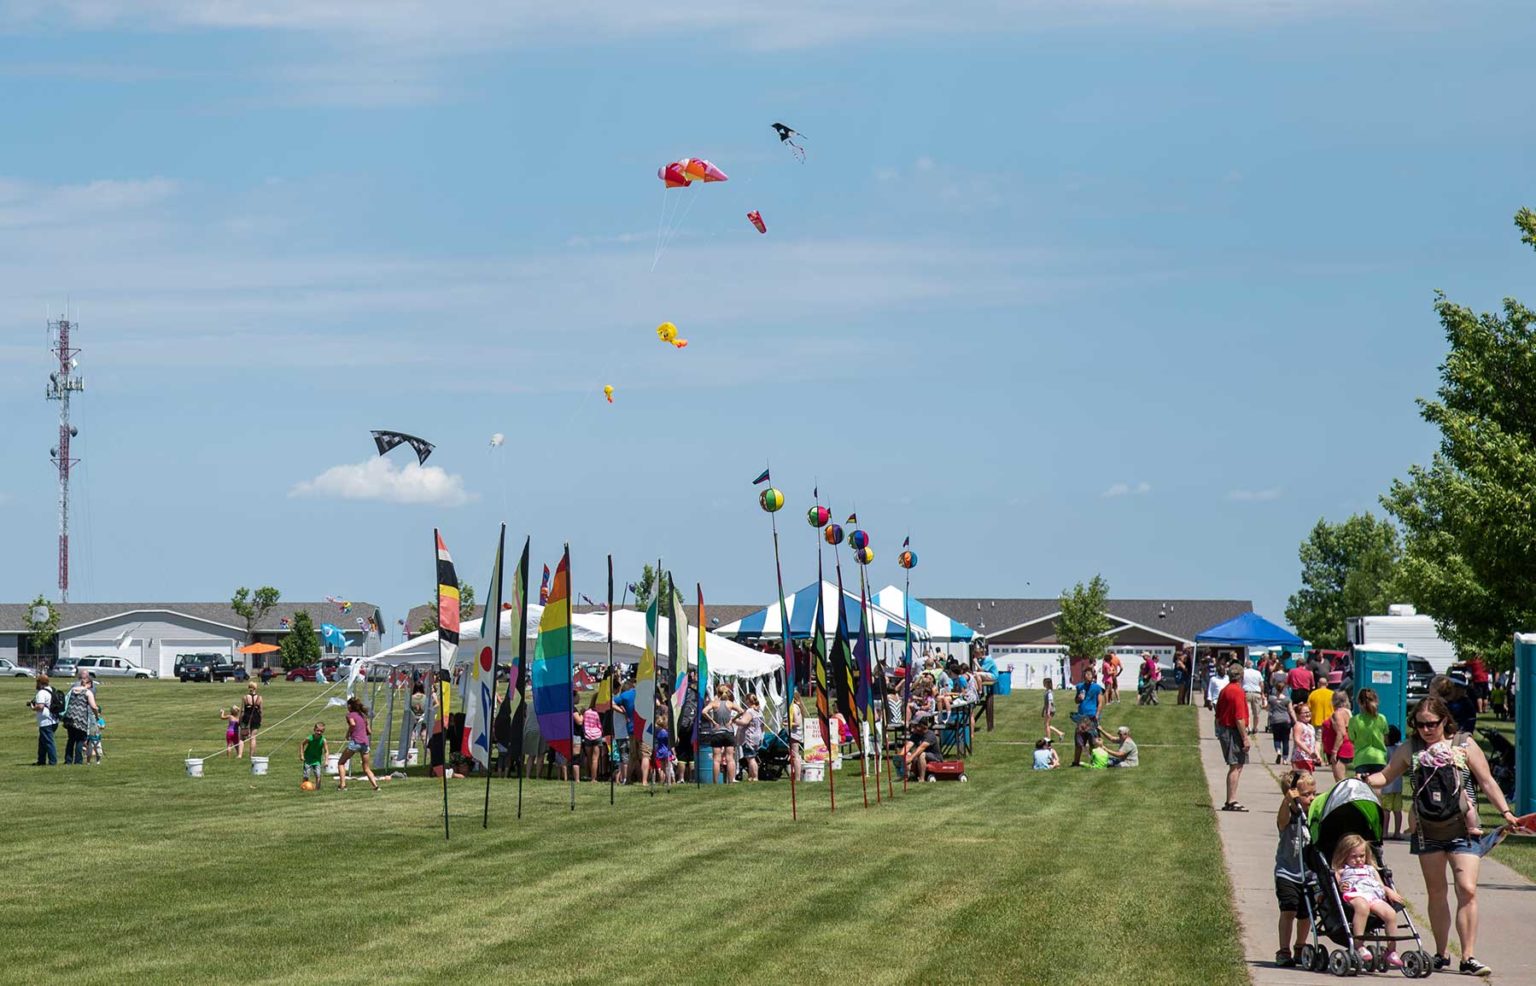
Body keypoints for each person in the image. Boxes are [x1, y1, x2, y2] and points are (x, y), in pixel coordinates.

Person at [1363, 696, 1521, 977]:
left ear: (1445, 720)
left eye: (1432, 724)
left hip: (1464, 828)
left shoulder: (1464, 744)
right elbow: (1386, 777)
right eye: (1420, 724)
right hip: (1428, 828)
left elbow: (1486, 781)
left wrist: (1506, 812)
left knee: (1467, 888)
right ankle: (1440, 953)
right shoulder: (1410, 748)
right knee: (1437, 892)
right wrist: (1364, 780)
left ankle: (1468, 956)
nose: (1426, 729)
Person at [1332, 833, 1406, 968]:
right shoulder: (1342, 870)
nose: (1359, 860)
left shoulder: (1370, 869)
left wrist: (1389, 891)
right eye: (1353, 857)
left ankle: (1391, 950)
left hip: (1373, 895)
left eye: (1362, 856)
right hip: (1355, 894)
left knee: (1390, 913)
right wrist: (1341, 886)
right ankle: (1359, 945)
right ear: (1344, 856)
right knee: (1362, 907)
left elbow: (1379, 884)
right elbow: (1338, 886)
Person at [1274, 770, 1318, 967]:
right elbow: (1281, 821)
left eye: (1313, 793)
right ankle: (1284, 950)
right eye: (1306, 794)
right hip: (1287, 873)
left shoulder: (1314, 815)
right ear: (1292, 793)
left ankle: (1300, 946)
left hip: (1309, 874)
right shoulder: (1288, 814)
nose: (1311, 798)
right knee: (1288, 910)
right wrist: (1287, 801)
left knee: (1306, 913)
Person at [1215, 664, 1251, 810]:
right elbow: (1239, 718)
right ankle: (1231, 800)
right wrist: (1245, 738)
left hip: (1225, 729)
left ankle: (1231, 800)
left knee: (1237, 765)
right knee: (1235, 765)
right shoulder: (1237, 691)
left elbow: (1217, 714)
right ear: (1241, 676)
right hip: (1233, 731)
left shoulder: (1225, 690)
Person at [337, 697, 379, 792]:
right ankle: (375, 786)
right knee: (366, 767)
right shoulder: (363, 716)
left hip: (355, 742)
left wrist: (348, 733)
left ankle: (342, 785)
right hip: (365, 743)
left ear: (350, 706)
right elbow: (369, 731)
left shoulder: (350, 715)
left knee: (341, 763)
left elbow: (352, 724)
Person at [1348, 687, 1390, 780]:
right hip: (1379, 758)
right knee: (1377, 788)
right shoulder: (1381, 718)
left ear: (1359, 702)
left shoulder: (1354, 720)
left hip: (1361, 758)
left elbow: (1352, 739)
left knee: (1362, 788)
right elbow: (1386, 739)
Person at [702, 685, 738, 784]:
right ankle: (731, 781)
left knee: (716, 759)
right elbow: (742, 711)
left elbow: (704, 711)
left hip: (717, 732)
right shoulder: (730, 704)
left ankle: (715, 782)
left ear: (717, 693)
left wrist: (713, 721)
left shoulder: (714, 703)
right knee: (730, 758)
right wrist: (732, 720)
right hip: (728, 732)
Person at [61, 673, 98, 765]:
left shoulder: (72, 690)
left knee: (71, 739)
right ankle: (78, 760)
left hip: (69, 717)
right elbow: (93, 706)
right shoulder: (87, 692)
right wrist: (97, 715)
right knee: (80, 740)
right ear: (88, 684)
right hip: (80, 719)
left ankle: (68, 760)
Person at [1071, 666, 1104, 768]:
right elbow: (1076, 701)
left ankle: (1094, 761)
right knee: (1079, 740)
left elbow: (1100, 702)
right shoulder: (1080, 686)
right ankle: (1076, 762)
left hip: (1092, 717)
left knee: (1092, 740)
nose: (1087, 676)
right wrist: (1078, 698)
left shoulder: (1097, 687)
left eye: (1089, 674)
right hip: (1081, 717)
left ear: (1093, 676)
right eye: (1085, 674)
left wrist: (1097, 714)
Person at [1323, 689, 1355, 783]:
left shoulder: (1338, 714)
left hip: (1341, 748)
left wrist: (1334, 751)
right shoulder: (1348, 712)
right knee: (1341, 777)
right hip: (1347, 745)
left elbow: (1341, 733)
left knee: (1339, 779)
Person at [1380, 724, 1405, 839]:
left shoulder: (1384, 750)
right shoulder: (1400, 748)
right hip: (1398, 785)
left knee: (1386, 810)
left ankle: (1384, 832)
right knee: (1397, 810)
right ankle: (1397, 832)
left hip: (1387, 785)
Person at [29, 673, 60, 766]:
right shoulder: (51, 690)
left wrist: (33, 707)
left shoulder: (41, 693)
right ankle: (41, 760)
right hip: (54, 719)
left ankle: (53, 761)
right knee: (42, 742)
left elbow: (41, 706)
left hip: (46, 721)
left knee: (49, 741)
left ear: (40, 682)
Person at [734, 694, 765, 782]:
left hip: (749, 737)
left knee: (750, 758)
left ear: (748, 700)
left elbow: (744, 722)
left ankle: (755, 777)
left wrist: (735, 720)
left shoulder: (750, 711)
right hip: (757, 736)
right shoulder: (759, 711)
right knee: (752, 757)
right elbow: (762, 725)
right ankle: (751, 776)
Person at [1265, 674, 1293, 764]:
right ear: (1284, 688)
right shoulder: (1287, 699)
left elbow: (1267, 708)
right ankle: (1285, 759)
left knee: (1276, 738)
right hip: (1285, 720)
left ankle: (1278, 751)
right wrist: (1295, 720)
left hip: (1275, 720)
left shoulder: (1271, 699)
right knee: (1285, 740)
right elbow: (1291, 710)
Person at [1290, 702, 1319, 774]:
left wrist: (1317, 754)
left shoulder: (1310, 726)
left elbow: (1313, 743)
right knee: (1302, 781)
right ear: (1298, 715)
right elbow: (1297, 740)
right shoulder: (1299, 725)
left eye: (1309, 712)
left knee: (1307, 781)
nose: (1308, 714)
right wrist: (1309, 752)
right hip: (1300, 758)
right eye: (1305, 712)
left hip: (1309, 758)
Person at [581, 696, 603, 783]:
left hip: (587, 736)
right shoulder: (599, 713)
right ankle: (594, 778)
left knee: (589, 757)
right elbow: (600, 725)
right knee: (595, 759)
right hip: (597, 735)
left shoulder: (586, 712)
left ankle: (590, 775)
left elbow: (583, 723)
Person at [1306, 672, 1336, 738]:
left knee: (1318, 741)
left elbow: (1308, 708)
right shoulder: (1332, 694)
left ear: (1318, 684)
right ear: (1327, 684)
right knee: (1328, 741)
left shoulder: (1312, 694)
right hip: (1329, 722)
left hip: (1317, 722)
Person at [240, 682, 264, 759]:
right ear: (255, 688)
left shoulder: (245, 697)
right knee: (253, 737)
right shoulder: (260, 698)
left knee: (242, 737)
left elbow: (242, 710)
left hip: (246, 717)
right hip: (256, 718)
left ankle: (240, 755)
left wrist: (240, 720)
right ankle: (251, 755)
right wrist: (261, 719)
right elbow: (261, 710)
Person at [300, 721, 328, 787]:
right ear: (314, 730)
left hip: (317, 759)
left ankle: (317, 788)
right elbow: (302, 744)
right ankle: (304, 786)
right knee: (306, 774)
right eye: (317, 731)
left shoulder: (323, 740)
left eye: (321, 731)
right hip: (308, 759)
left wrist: (326, 761)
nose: (319, 732)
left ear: (323, 731)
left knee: (318, 774)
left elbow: (326, 751)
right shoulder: (309, 738)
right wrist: (302, 755)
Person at [1242, 659, 1265, 735]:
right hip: (1256, 693)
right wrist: (1262, 693)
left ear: (1246, 665)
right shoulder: (1257, 673)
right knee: (1256, 713)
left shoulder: (1243, 672)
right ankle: (1255, 727)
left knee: (1247, 711)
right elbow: (1261, 683)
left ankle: (1248, 727)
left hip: (1246, 692)